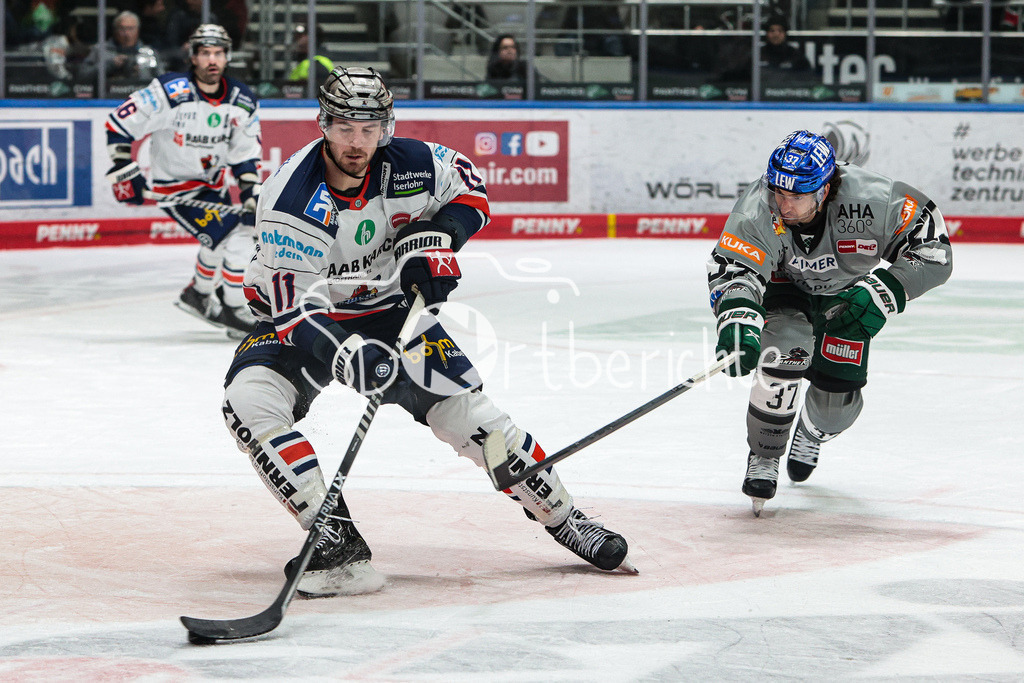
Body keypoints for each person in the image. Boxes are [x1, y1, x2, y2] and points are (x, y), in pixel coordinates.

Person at [221, 66, 635, 597]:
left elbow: (472, 192)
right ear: (323, 124)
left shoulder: (413, 164)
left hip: (396, 312)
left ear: (385, 126)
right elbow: (291, 311)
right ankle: (336, 543)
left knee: (477, 422)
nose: (357, 142)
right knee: (248, 402)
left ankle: (565, 517)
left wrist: (439, 236)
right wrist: (348, 354)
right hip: (308, 319)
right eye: (345, 127)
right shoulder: (292, 201)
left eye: (369, 128)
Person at [707, 131, 953, 515]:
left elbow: (934, 249)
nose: (783, 205)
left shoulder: (875, 199)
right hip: (784, 287)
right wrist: (737, 316)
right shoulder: (758, 207)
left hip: (849, 299)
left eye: (796, 196)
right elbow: (736, 268)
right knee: (784, 355)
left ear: (823, 191)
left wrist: (883, 292)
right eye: (778, 193)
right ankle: (765, 453)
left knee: (833, 410)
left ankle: (811, 429)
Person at [103, 24, 262, 339]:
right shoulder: (170, 92)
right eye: (205, 53)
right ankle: (232, 306)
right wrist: (123, 167)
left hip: (210, 186)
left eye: (218, 53)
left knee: (227, 236)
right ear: (193, 56)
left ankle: (199, 294)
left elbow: (245, 155)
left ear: (227, 57)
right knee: (235, 235)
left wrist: (250, 194)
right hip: (173, 188)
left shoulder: (241, 100)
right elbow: (119, 122)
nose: (212, 60)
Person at [78, 10, 162, 83]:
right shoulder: (99, 50)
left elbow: (161, 81)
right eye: (122, 28)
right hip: (106, 98)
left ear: (138, 30)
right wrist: (110, 65)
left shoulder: (148, 52)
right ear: (115, 30)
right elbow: (82, 76)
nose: (126, 33)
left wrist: (141, 73)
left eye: (130, 28)